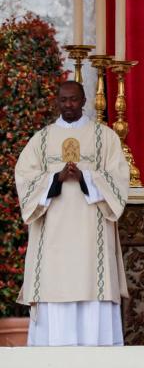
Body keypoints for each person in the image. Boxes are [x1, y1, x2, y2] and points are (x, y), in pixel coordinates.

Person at [15, 81, 129, 346]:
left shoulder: (105, 137)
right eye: (64, 100)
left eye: (74, 100)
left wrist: (85, 177)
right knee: (54, 290)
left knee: (93, 286)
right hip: (52, 232)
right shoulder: (41, 140)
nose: (69, 105)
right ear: (57, 101)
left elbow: (119, 178)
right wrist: (55, 179)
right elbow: (24, 178)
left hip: (92, 234)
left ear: (84, 100)